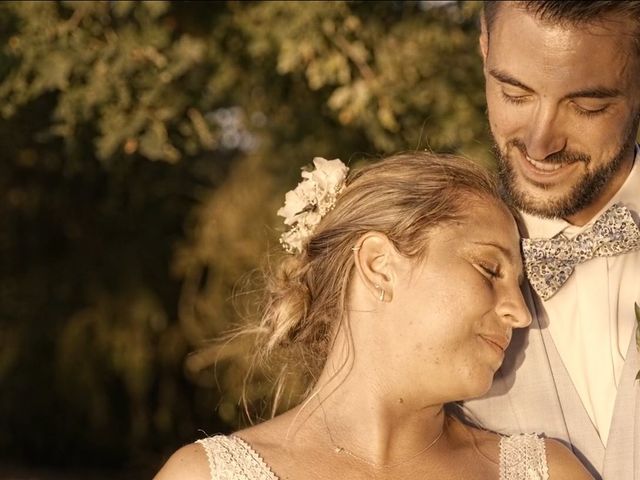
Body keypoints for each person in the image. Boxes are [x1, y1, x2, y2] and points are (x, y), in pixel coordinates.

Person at [155, 152, 591, 479]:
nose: (520, 313)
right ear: (380, 265)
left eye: (521, 286)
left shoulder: (547, 473)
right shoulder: (206, 476)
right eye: (490, 269)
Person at [464, 1, 640, 479]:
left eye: (587, 106)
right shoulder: (425, 267)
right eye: (514, 93)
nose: (541, 144)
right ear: (484, 47)